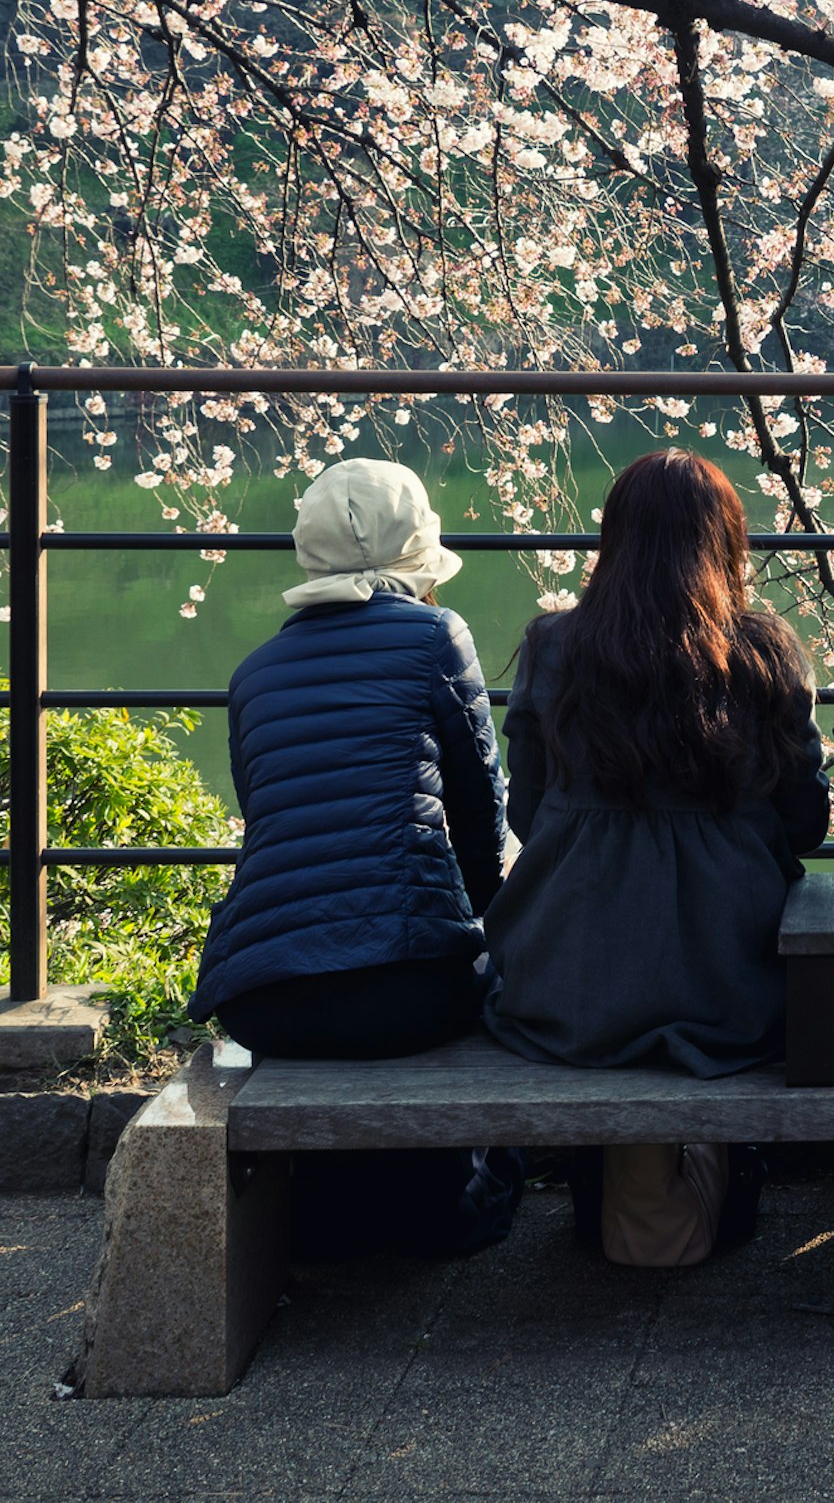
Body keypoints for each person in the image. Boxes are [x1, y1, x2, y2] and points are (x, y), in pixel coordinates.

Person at [484, 450, 829, 1263]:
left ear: (614, 540)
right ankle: (698, 1181)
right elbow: (807, 824)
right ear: (728, 542)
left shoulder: (552, 645)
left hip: (570, 991)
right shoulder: (767, 650)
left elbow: (527, 812)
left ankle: (630, 1191)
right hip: (729, 989)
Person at [189, 456, 519, 1255]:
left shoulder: (254, 671)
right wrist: (482, 934)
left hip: (265, 995)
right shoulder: (436, 634)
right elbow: (482, 814)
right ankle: (457, 1197)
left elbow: (268, 819)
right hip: (403, 987)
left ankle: (325, 1209)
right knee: (484, 982)